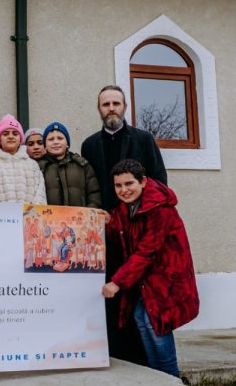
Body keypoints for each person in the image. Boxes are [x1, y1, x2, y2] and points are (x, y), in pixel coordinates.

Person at [101, 160, 199, 378]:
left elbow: (146, 251)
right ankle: (158, 378)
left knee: (156, 324)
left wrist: (117, 282)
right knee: (141, 318)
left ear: (143, 181)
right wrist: (108, 221)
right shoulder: (127, 208)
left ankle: (171, 378)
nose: (124, 190)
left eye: (129, 184)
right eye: (118, 186)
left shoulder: (159, 210)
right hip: (148, 279)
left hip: (166, 278)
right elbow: (121, 228)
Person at [80, 85, 168, 210]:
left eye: (116, 103)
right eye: (106, 104)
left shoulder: (144, 139)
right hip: (105, 219)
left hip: (138, 218)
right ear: (99, 109)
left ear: (125, 107)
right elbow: (88, 187)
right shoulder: (89, 145)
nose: (111, 108)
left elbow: (159, 181)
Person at [0, 115, 46, 204]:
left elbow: (40, 194)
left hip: (29, 216)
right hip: (1, 215)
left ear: (20, 139)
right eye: (5, 134)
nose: (10, 136)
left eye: (15, 134)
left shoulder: (32, 164)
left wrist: (29, 214)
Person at [37, 122, 101, 208]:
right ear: (45, 146)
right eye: (51, 139)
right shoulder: (39, 168)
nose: (56, 142)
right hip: (49, 219)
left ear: (67, 143)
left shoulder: (82, 165)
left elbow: (94, 194)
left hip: (79, 219)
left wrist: (89, 212)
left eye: (60, 138)